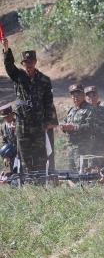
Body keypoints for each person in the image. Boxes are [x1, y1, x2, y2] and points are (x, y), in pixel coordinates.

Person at [2, 38, 58, 172]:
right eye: (26, 62)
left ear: (36, 62)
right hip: (22, 121)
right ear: (22, 63)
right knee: (24, 151)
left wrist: (49, 121)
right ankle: (28, 179)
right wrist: (6, 49)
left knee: (39, 151)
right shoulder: (18, 76)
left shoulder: (44, 80)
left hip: (38, 121)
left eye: (31, 61)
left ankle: (39, 177)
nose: (29, 64)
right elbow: (9, 66)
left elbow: (48, 102)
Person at [60, 84, 96, 171]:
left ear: (83, 95)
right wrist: (64, 127)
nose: (76, 97)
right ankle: (74, 184)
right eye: (73, 95)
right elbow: (66, 122)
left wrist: (73, 127)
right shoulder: (71, 110)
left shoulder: (89, 109)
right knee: (72, 171)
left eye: (78, 94)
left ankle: (84, 185)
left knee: (83, 171)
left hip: (83, 147)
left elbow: (90, 127)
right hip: (71, 146)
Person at [84, 86, 104, 160]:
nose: (91, 98)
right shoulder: (81, 111)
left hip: (100, 144)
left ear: (98, 96)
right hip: (85, 145)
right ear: (85, 98)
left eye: (94, 95)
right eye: (89, 96)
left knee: (101, 168)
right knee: (85, 169)